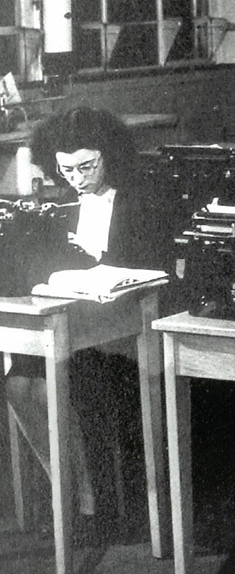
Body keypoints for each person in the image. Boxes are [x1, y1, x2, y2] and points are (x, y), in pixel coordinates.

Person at [9, 107, 165, 528]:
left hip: (123, 327)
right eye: (66, 169)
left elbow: (148, 269)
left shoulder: (138, 199)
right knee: (20, 383)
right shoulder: (58, 203)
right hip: (66, 320)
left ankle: (91, 500)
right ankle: (73, 490)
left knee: (63, 383)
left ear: (108, 155)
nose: (76, 178)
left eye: (86, 166)